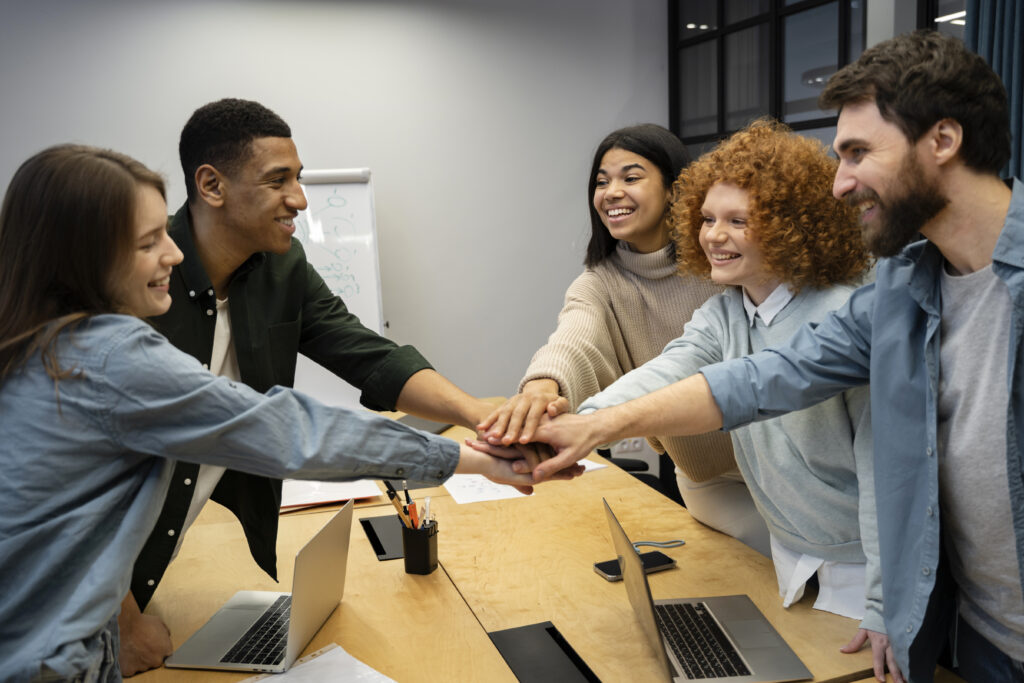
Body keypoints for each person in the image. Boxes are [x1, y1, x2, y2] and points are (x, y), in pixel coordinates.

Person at [530, 30, 1023, 682]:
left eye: (857, 153)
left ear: (942, 140)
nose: (840, 183)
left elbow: (883, 469)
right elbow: (758, 378)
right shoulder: (904, 286)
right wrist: (585, 423)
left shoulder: (885, 289)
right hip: (982, 630)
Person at [0, 144, 573, 681]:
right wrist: (471, 459)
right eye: (149, 242)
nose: (171, 252)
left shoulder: (37, 342)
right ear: (81, 258)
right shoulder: (108, 357)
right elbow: (286, 430)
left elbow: (359, 350)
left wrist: (479, 419)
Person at [120, 98, 501, 675]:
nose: (299, 199)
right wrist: (118, 621)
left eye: (297, 179)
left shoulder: (281, 266)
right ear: (211, 185)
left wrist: (479, 416)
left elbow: (365, 354)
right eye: (279, 182)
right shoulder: (134, 293)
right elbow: (76, 494)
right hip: (93, 599)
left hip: (147, 578)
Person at [573, 118, 894, 677]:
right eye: (707, 219)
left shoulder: (841, 317)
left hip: (862, 569)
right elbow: (668, 371)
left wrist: (886, 602)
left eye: (738, 221)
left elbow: (886, 472)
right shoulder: (726, 311)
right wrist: (580, 423)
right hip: (791, 551)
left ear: (792, 228)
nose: (713, 236)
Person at [478, 124, 768, 555]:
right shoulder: (601, 282)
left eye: (631, 177)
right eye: (601, 181)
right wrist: (542, 388)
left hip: (779, 464)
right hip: (711, 479)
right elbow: (574, 338)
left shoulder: (723, 260)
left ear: (676, 188)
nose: (611, 192)